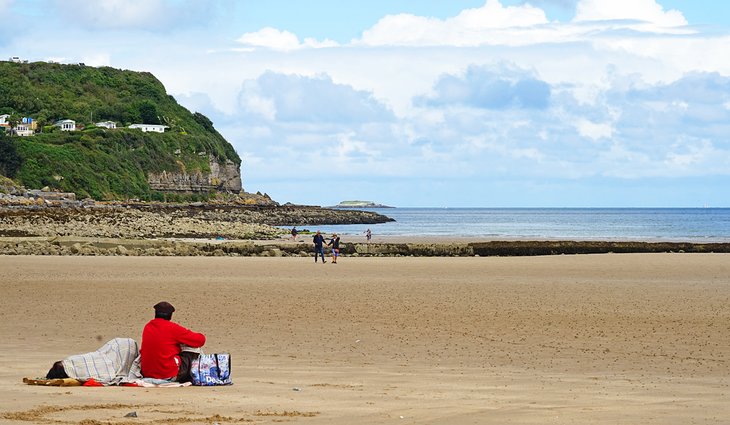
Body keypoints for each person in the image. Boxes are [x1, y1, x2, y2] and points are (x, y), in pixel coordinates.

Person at [140, 301, 206, 383]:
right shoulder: (173, 328)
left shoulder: (148, 327)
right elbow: (200, 340)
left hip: (147, 373)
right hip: (167, 374)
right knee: (193, 351)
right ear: (170, 315)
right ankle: (199, 374)